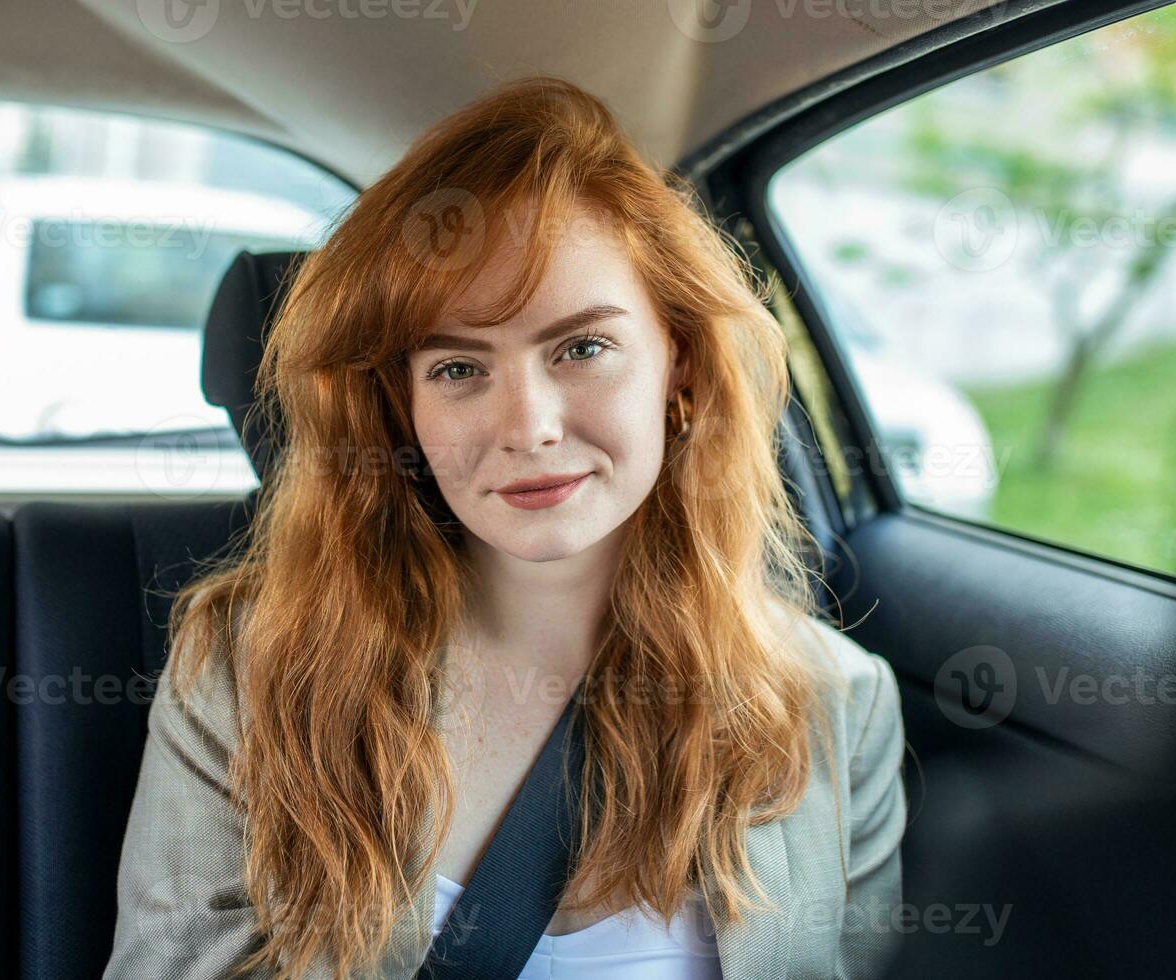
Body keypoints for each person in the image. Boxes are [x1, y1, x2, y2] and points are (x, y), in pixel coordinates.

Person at [103, 75, 907, 980]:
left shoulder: (835, 701)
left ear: (678, 361)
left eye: (582, 348)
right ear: (400, 403)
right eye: (457, 367)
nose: (528, 427)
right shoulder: (250, 669)